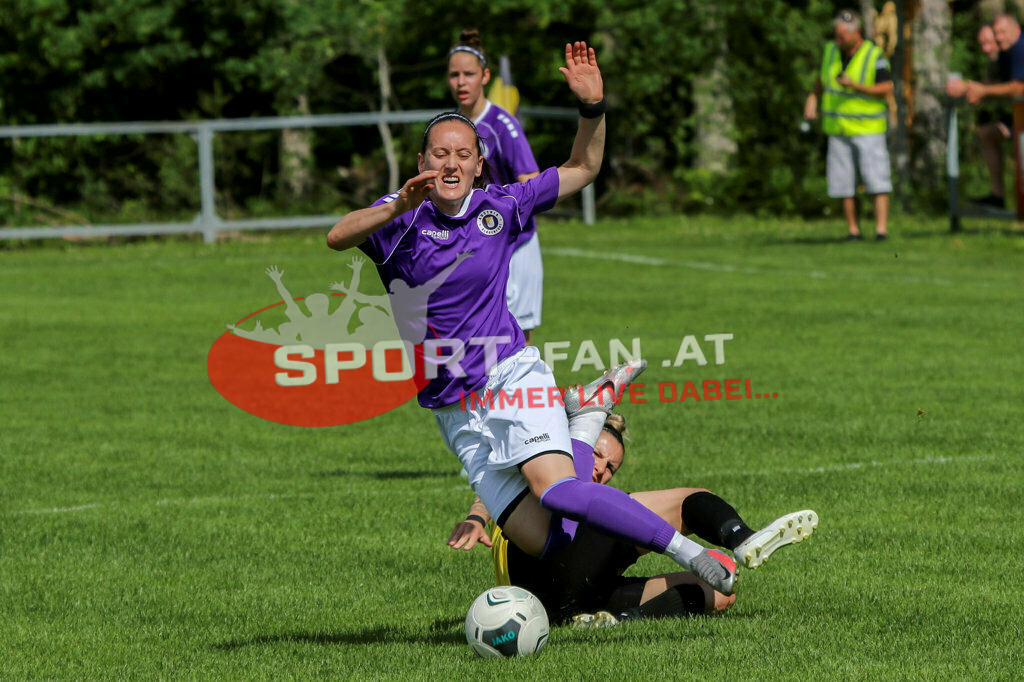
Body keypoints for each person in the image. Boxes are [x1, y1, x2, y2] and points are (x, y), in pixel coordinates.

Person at [327, 45, 742, 595]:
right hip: (454, 410)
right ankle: (585, 419)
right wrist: (393, 207)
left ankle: (690, 551)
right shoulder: (399, 218)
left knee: (559, 492)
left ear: (479, 162)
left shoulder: (502, 205)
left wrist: (592, 108)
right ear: (423, 161)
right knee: (549, 545)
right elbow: (337, 236)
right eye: (438, 154)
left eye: (462, 154)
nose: (450, 164)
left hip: (509, 374)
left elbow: (583, 168)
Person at [448, 405, 818, 626]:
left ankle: (613, 623)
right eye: (596, 455)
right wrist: (477, 517)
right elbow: (498, 491)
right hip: (537, 567)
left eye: (611, 468)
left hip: (567, 603)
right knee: (690, 499)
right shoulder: (545, 465)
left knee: (720, 593)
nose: (601, 471)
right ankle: (741, 536)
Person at [447, 29, 544, 343]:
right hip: (473, 244)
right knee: (474, 337)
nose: (461, 82)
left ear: (485, 76)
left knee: (517, 340)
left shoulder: (502, 125)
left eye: (469, 74)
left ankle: (524, 394)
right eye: (454, 75)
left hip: (516, 246)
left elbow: (532, 184)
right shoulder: (450, 126)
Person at [804, 10, 893, 241]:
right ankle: (853, 231)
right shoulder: (831, 51)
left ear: (857, 33)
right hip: (838, 128)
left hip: (868, 130)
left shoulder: (874, 54)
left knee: (876, 181)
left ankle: (881, 231)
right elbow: (822, 80)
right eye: (837, 34)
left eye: (843, 35)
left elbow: (886, 88)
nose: (838, 39)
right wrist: (813, 97)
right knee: (844, 184)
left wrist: (856, 87)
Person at [957, 14, 1024, 209]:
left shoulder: (1020, 47)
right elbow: (1004, 85)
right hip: (1020, 117)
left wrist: (984, 91)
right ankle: (997, 196)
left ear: (1015, 29)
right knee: (988, 134)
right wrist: (973, 88)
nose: (999, 37)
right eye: (996, 33)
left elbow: (1019, 87)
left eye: (1002, 32)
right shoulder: (1006, 54)